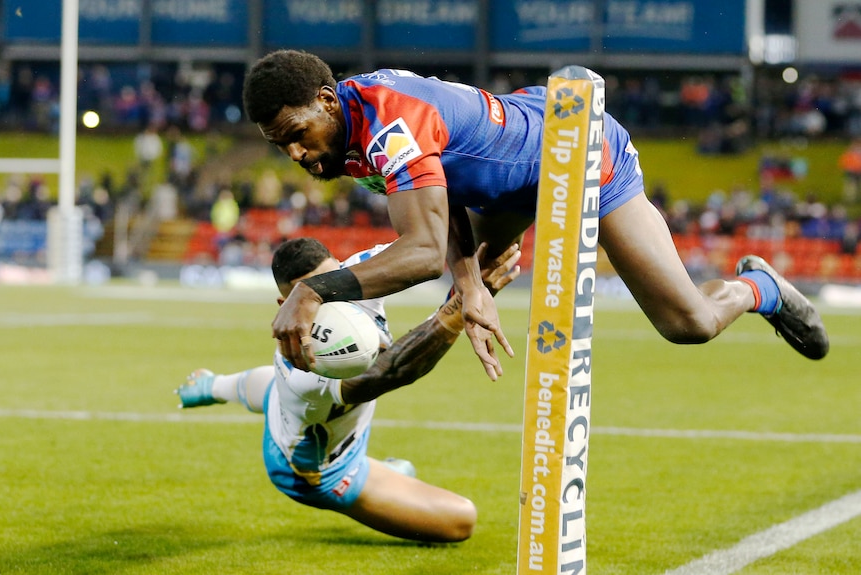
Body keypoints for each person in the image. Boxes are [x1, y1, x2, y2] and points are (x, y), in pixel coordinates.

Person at [241, 50, 830, 376]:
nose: (294, 154)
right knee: (472, 279)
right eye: (279, 146)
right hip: (509, 186)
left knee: (690, 326)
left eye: (296, 134)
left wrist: (314, 292)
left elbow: (421, 252)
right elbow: (437, 200)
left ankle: (760, 288)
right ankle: (473, 291)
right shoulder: (345, 132)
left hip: (577, 157)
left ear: (325, 99)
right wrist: (469, 284)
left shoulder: (390, 122)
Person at [175, 237, 521, 542]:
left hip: (297, 409)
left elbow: (430, 244)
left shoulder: (358, 272)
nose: (329, 298)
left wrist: (472, 274)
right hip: (316, 472)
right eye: (311, 296)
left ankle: (212, 386)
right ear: (287, 308)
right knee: (461, 520)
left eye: (330, 282)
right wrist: (460, 306)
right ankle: (380, 475)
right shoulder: (307, 369)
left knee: (275, 391)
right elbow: (390, 372)